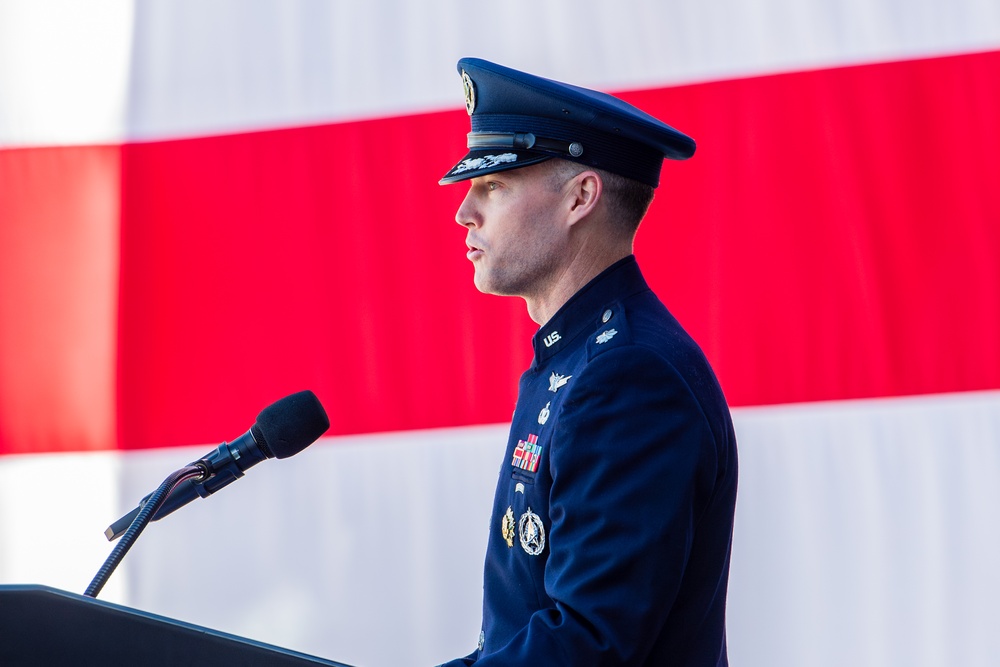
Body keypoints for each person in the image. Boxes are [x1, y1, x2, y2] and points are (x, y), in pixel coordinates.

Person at [436, 58, 738, 666]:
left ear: (580, 197)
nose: (464, 213)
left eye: (494, 186)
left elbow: (587, 644)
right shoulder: (577, 360)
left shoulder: (626, 375)